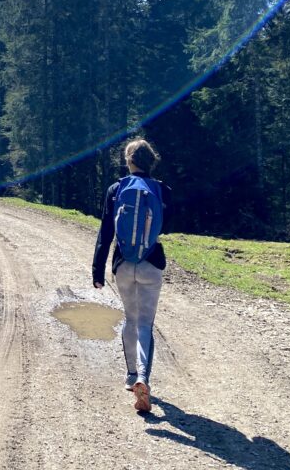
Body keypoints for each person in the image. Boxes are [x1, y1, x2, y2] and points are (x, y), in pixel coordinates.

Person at [92, 138, 171, 413]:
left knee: (130, 318)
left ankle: (129, 376)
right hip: (151, 262)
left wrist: (97, 270)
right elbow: (168, 225)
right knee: (146, 324)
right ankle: (143, 378)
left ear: (129, 160)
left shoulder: (116, 189)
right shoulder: (161, 190)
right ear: (151, 161)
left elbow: (105, 233)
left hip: (123, 263)